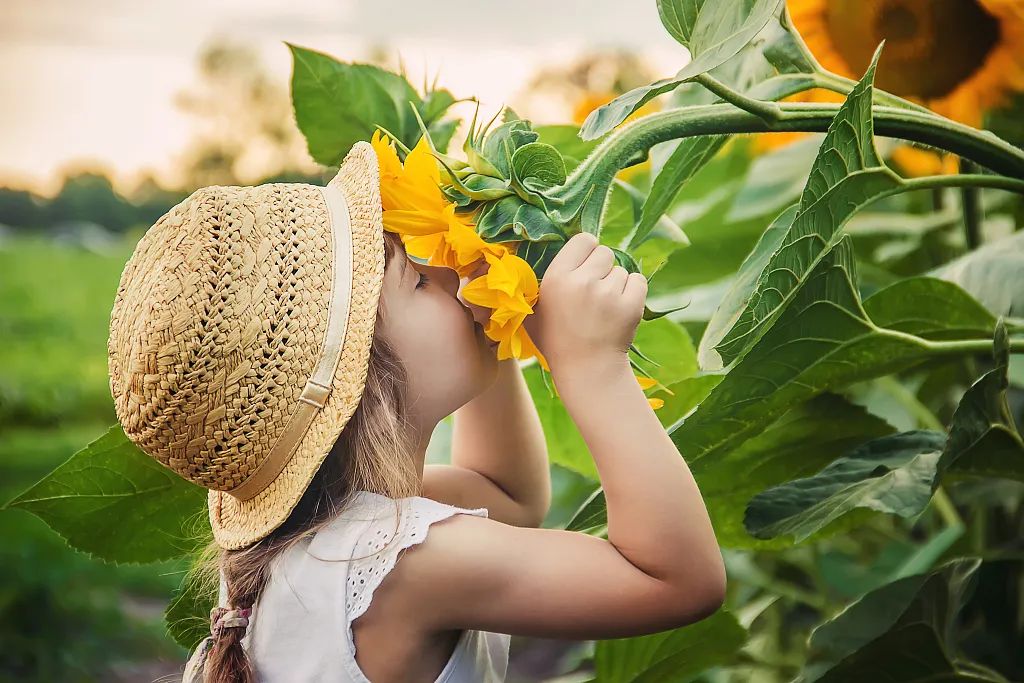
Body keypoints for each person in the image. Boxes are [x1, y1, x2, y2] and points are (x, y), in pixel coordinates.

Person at [106, 139, 725, 683]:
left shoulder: (326, 532)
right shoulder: (395, 565)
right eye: (422, 280)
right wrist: (594, 369)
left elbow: (504, 494)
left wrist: (493, 306)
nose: (449, 269)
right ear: (367, 387)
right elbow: (675, 581)